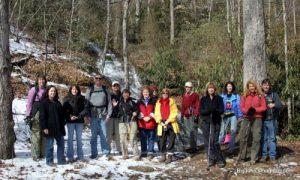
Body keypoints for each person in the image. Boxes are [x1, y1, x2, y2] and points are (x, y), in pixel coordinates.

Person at [238, 80, 267, 165]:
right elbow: (241, 107)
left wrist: (255, 110)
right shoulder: (244, 96)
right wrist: (247, 111)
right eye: (250, 86)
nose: (252, 88)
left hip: (257, 118)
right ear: (248, 87)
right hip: (246, 118)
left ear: (255, 86)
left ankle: (253, 157)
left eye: (253, 86)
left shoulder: (260, 96)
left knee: (256, 138)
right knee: (243, 137)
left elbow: (264, 107)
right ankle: (243, 156)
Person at [85, 74, 112, 159]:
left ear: (102, 80)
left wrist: (109, 114)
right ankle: (94, 153)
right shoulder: (90, 89)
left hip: (103, 115)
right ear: (94, 79)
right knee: (93, 135)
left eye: (100, 78)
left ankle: (105, 152)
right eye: (96, 78)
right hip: (92, 115)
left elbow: (109, 103)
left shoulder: (105, 89)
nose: (98, 80)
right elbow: (86, 104)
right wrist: (87, 115)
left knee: (104, 134)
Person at [199, 82, 225, 168]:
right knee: (207, 141)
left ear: (215, 89)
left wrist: (214, 110)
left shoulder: (219, 98)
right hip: (206, 122)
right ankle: (210, 158)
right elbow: (201, 111)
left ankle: (219, 159)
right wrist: (208, 110)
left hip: (215, 121)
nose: (211, 89)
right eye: (209, 88)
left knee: (214, 141)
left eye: (212, 88)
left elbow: (221, 110)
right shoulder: (203, 99)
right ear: (207, 89)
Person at [39, 85, 66, 166]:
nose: (53, 92)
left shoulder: (58, 102)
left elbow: (62, 115)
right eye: (51, 91)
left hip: (59, 128)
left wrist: (63, 122)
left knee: (61, 144)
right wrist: (44, 127)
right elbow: (42, 117)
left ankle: (61, 160)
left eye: (54, 91)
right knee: (50, 146)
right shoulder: (44, 103)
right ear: (48, 92)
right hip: (49, 128)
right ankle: (49, 161)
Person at [63, 85, 88, 162]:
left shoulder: (82, 98)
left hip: (79, 121)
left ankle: (80, 156)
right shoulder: (66, 98)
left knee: (79, 139)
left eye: (76, 89)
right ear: (70, 90)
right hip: (70, 121)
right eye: (73, 89)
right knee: (70, 139)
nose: (74, 91)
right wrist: (70, 116)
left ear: (78, 90)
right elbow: (64, 110)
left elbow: (86, 109)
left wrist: (79, 116)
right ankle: (70, 156)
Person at [155, 88, 180, 164]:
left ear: (168, 94)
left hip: (170, 122)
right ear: (161, 94)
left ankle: (169, 156)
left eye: (166, 93)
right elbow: (156, 113)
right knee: (162, 140)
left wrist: (168, 121)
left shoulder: (172, 101)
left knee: (171, 140)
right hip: (162, 123)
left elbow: (174, 112)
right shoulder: (158, 102)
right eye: (163, 93)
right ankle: (163, 155)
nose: (165, 94)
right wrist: (160, 121)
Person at [25, 74, 47, 161]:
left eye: (43, 80)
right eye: (40, 80)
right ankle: (35, 154)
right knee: (36, 134)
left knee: (43, 133)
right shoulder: (33, 90)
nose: (41, 81)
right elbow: (29, 102)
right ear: (37, 81)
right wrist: (28, 115)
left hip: (45, 113)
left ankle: (42, 153)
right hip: (36, 113)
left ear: (45, 81)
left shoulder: (46, 90)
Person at [260, 79, 282, 163]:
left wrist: (274, 104)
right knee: (264, 138)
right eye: (264, 85)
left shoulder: (274, 94)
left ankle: (272, 156)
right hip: (262, 120)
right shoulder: (260, 95)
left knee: (272, 138)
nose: (266, 86)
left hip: (272, 119)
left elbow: (280, 105)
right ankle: (264, 155)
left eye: (267, 85)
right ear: (261, 86)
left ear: (269, 86)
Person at [219, 81, 242, 154]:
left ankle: (231, 149)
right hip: (225, 115)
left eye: (231, 86)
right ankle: (218, 148)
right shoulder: (222, 96)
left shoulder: (236, 96)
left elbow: (239, 106)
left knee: (233, 131)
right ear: (226, 87)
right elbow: (220, 106)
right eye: (228, 86)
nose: (229, 87)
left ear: (233, 87)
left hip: (233, 115)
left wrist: (240, 115)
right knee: (222, 132)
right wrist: (220, 113)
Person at [117, 89, 139, 160]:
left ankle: (136, 154)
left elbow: (137, 109)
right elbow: (115, 112)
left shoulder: (133, 102)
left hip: (132, 121)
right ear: (122, 94)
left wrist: (136, 112)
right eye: (124, 93)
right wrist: (114, 106)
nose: (125, 95)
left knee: (132, 138)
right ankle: (125, 154)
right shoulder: (119, 103)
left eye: (127, 93)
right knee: (122, 139)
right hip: (122, 122)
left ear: (129, 94)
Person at [137, 86, 157, 160]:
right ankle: (144, 152)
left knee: (151, 138)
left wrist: (150, 116)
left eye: (147, 92)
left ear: (149, 93)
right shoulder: (139, 101)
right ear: (142, 93)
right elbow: (137, 111)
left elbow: (156, 110)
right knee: (143, 138)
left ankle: (150, 152)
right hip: (142, 122)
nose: (145, 93)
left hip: (151, 122)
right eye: (144, 92)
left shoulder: (153, 100)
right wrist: (142, 117)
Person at [180, 81, 200, 153]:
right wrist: (182, 115)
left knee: (193, 131)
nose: (187, 88)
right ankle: (191, 146)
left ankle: (194, 147)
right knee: (188, 132)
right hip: (186, 115)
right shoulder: (184, 95)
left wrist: (196, 114)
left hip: (193, 115)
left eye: (189, 87)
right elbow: (183, 106)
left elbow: (198, 105)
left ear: (191, 88)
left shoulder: (195, 95)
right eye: (186, 87)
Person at [107, 81, 122, 155]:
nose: (116, 87)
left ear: (119, 87)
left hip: (118, 117)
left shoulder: (121, 96)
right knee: (109, 134)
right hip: (110, 117)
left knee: (118, 134)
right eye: (114, 86)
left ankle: (119, 149)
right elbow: (106, 105)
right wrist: (113, 106)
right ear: (112, 87)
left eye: (117, 85)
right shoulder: (109, 95)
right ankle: (108, 150)